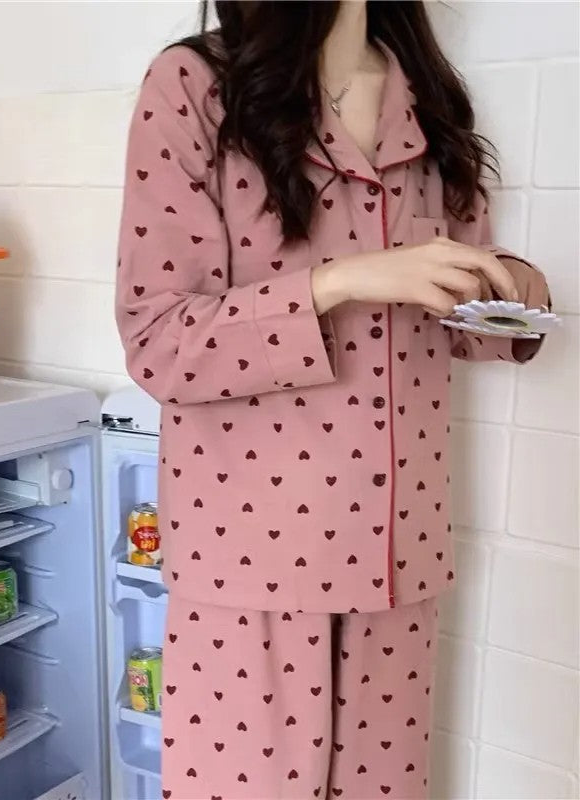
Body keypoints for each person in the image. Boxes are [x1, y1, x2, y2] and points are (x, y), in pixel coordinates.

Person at [115, 2, 551, 798]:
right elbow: (161, 340)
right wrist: (341, 282)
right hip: (252, 565)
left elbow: (461, 326)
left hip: (398, 558)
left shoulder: (426, 99)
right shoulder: (196, 85)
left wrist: (507, 289)